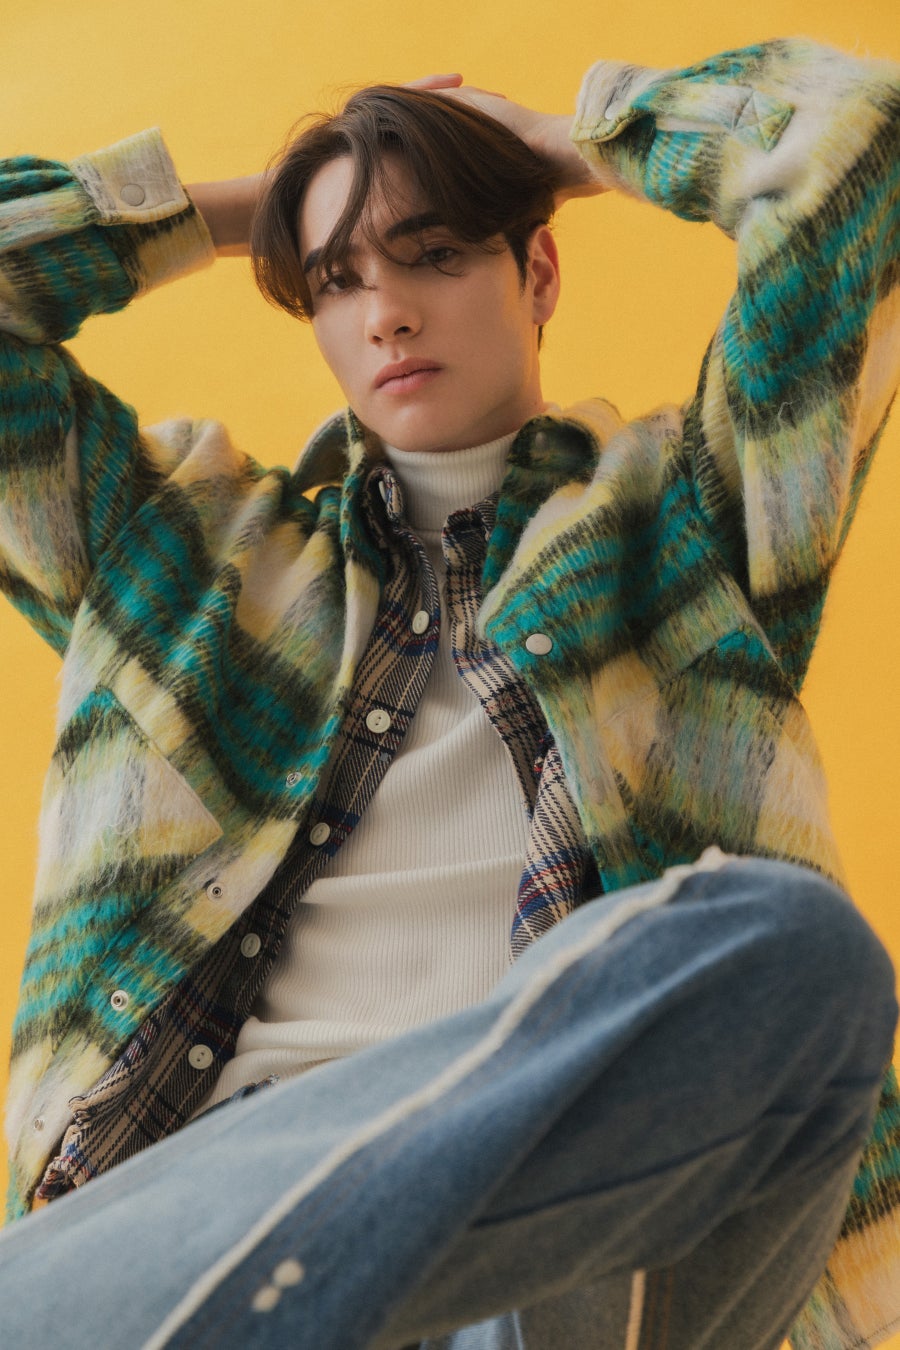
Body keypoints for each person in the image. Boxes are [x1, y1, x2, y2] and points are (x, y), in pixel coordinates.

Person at [0, 37, 897, 1350]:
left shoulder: (688, 526)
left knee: (797, 952)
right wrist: (258, 209)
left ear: (538, 273)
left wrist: (569, 147)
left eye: (433, 253)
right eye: (337, 281)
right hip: (195, 1210)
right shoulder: (178, 554)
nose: (387, 314)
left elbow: (860, 150)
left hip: (554, 1236)